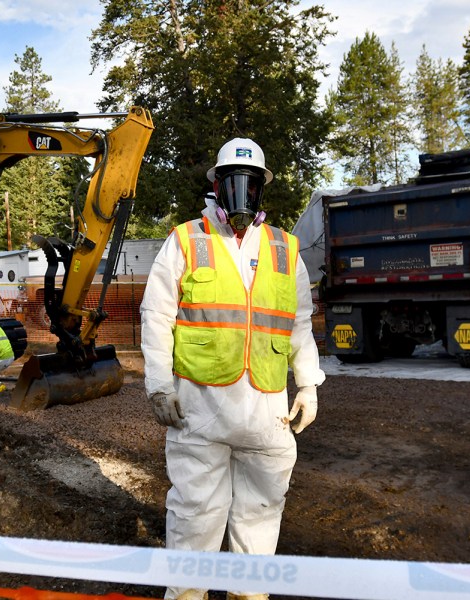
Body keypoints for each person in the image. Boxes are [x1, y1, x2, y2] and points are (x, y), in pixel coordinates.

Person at [140, 138, 326, 600]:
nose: (241, 191)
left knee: (260, 518)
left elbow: (299, 323)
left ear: (262, 188)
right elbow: (157, 314)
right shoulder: (186, 240)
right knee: (194, 516)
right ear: (217, 186)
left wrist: (308, 385)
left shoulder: (285, 249)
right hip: (202, 409)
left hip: (267, 413)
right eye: (231, 181)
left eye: (250, 182)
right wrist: (160, 386)